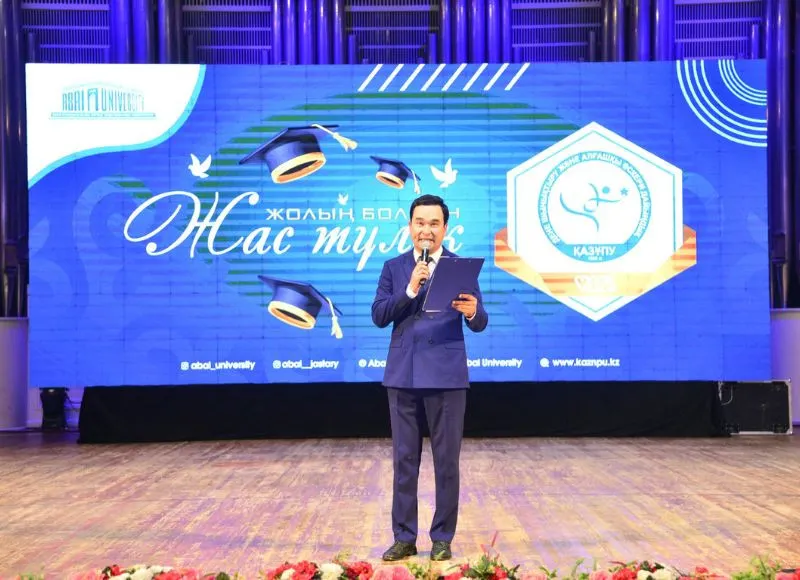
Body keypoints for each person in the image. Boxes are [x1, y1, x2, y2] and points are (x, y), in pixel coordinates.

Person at [371, 194, 489, 562]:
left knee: (447, 462)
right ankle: (404, 538)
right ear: (410, 226)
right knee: (404, 461)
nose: (426, 230)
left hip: (447, 376)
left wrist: (473, 312)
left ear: (445, 228)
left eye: (434, 223)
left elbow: (480, 322)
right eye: (420, 222)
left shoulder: (459, 267)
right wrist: (410, 289)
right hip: (403, 374)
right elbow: (379, 315)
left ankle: (442, 538)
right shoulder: (394, 267)